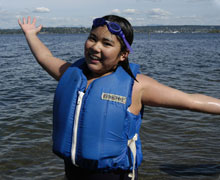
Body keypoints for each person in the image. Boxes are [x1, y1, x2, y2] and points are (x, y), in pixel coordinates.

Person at [18, 15, 220, 180]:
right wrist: (30, 34)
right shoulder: (71, 74)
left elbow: (190, 100)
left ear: (123, 54)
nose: (95, 47)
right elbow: (45, 58)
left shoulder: (136, 86)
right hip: (74, 171)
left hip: (113, 175)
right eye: (92, 38)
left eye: (106, 43)